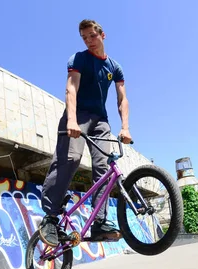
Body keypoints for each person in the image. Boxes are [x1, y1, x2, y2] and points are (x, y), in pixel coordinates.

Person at [38, 19, 133, 247]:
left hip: (101, 120)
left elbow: (123, 99)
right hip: (78, 115)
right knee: (71, 157)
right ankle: (50, 218)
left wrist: (125, 127)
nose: (89, 41)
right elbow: (71, 88)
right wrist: (71, 119)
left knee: (104, 168)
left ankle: (99, 222)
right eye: (84, 38)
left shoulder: (114, 67)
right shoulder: (79, 59)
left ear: (103, 35)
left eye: (92, 36)